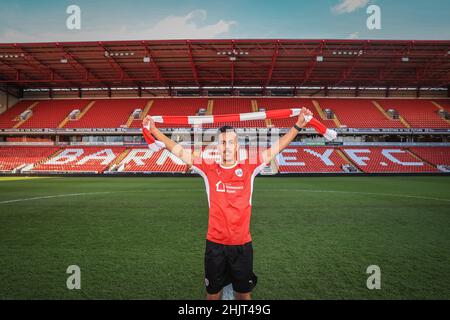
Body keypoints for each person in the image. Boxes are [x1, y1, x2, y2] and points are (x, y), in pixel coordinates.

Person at [143, 107, 313, 300]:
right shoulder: (207, 168)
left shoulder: (250, 167)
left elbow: (277, 147)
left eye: (231, 142)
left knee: (243, 295)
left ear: (237, 146)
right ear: (217, 146)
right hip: (215, 245)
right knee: (212, 295)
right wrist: (155, 131)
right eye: (223, 142)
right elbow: (179, 150)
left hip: (242, 245)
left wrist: (298, 125)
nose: (227, 146)